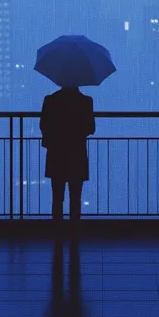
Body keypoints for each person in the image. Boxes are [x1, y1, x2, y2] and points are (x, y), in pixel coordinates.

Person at [39, 85, 96, 223]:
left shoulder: (50, 100)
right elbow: (91, 128)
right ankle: (74, 228)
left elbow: (43, 124)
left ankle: (57, 228)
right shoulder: (86, 101)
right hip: (77, 152)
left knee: (57, 196)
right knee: (75, 196)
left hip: (56, 152)